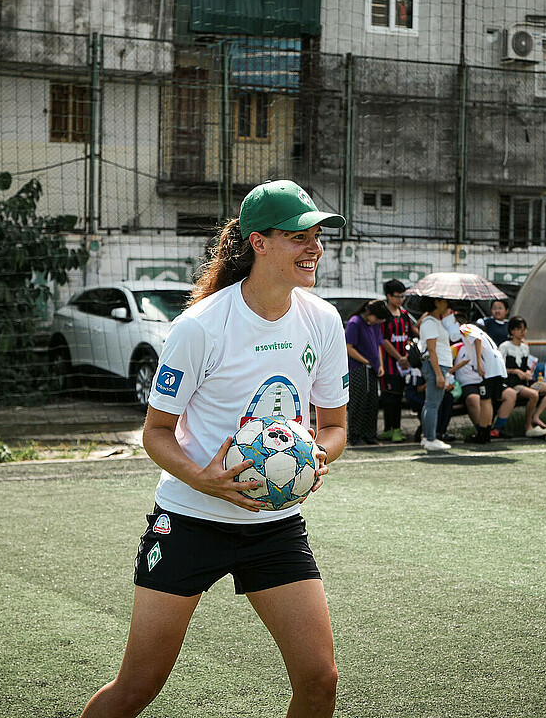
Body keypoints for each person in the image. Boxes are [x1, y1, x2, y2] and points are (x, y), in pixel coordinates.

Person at [79, 180, 349, 718]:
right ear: (259, 243)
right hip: (190, 522)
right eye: (300, 236)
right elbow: (155, 432)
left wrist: (318, 455)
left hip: (274, 527)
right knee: (138, 686)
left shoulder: (323, 321)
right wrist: (203, 479)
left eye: (318, 235)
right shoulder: (200, 326)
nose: (315, 247)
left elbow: (336, 425)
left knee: (320, 681)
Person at [458, 318, 516, 442]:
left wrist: (479, 363)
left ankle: (483, 433)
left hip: (489, 366)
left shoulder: (465, 328)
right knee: (487, 400)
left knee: (485, 400)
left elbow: (477, 340)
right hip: (496, 364)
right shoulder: (481, 333)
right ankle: (486, 432)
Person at [416, 295, 459, 452]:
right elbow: (432, 350)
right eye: (444, 301)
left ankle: (429, 437)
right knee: (432, 404)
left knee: (433, 403)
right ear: (436, 302)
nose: (447, 304)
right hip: (436, 366)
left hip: (441, 366)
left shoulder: (436, 321)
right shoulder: (429, 322)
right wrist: (439, 375)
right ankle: (430, 438)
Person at [345, 299, 391, 446]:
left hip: (372, 368)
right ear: (369, 313)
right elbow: (349, 347)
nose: (376, 321)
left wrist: (380, 364)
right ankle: (355, 435)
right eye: (376, 318)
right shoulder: (355, 322)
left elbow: (378, 345)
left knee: (372, 402)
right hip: (358, 369)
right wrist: (365, 361)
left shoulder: (375, 325)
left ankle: (369, 435)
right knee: (358, 401)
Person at [378, 279, 415, 442]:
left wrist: (406, 356)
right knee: (389, 397)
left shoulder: (405, 315)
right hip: (388, 365)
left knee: (399, 397)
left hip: (403, 365)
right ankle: (391, 429)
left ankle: (395, 428)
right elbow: (383, 340)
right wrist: (398, 358)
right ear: (388, 296)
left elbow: (410, 336)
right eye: (397, 296)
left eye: (402, 296)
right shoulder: (383, 316)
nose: (400, 299)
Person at [499, 316, 544, 438]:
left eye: (524, 329)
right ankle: (528, 425)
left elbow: (528, 366)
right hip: (512, 383)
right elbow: (500, 368)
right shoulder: (505, 346)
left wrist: (528, 372)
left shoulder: (525, 347)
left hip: (526, 381)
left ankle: (536, 416)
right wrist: (514, 371)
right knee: (534, 394)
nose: (523, 332)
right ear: (512, 331)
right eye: (520, 329)